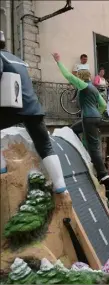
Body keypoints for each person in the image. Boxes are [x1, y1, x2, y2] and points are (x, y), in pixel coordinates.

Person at [0, 31, 68, 196]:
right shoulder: (17, 60)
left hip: (12, 107)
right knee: (45, 145)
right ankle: (60, 185)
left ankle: (2, 168)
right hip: (33, 107)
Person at [52, 52, 109, 184]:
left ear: (80, 77)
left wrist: (58, 61)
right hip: (96, 118)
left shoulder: (83, 85)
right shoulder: (94, 89)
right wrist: (97, 114)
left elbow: (68, 75)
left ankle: (103, 174)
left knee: (93, 147)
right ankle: (81, 151)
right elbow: (103, 105)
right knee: (72, 130)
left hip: (89, 118)